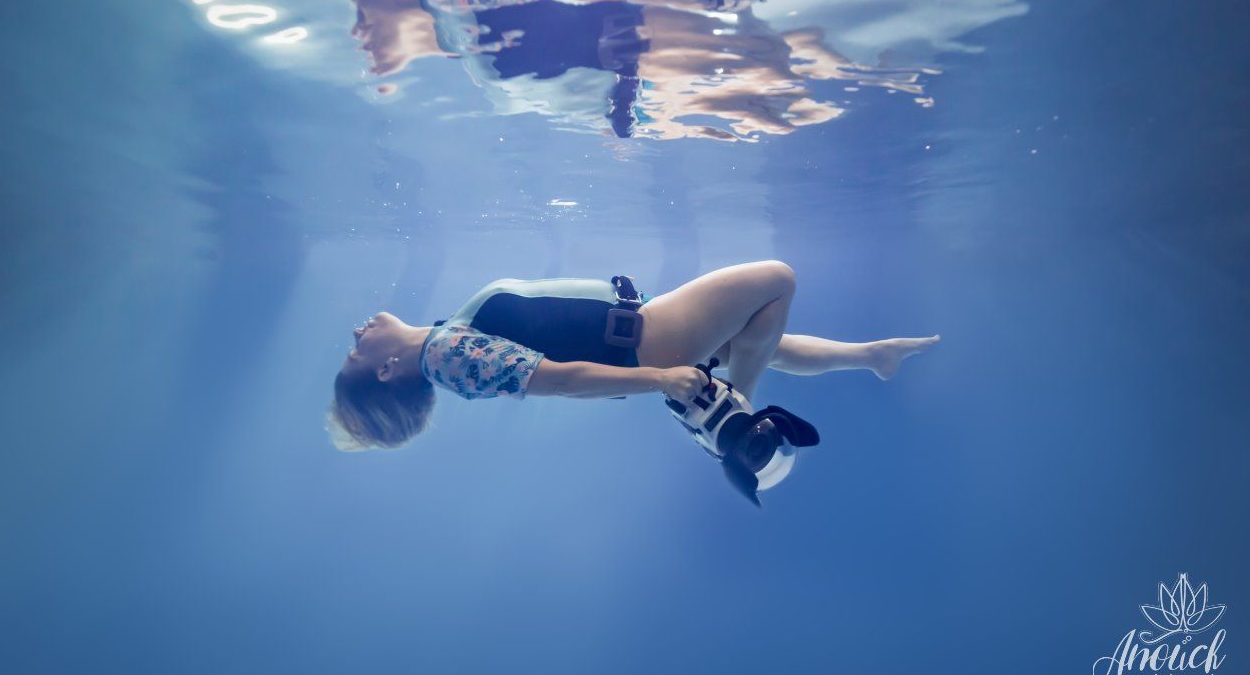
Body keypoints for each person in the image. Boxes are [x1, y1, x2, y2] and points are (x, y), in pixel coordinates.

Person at [328, 261, 939, 451]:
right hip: (646, 338)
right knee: (775, 280)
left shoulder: (449, 342)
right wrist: (663, 378)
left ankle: (872, 356)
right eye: (355, 352)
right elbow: (560, 381)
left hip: (643, 330)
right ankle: (736, 418)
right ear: (386, 370)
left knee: (758, 335)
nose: (358, 332)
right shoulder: (450, 355)